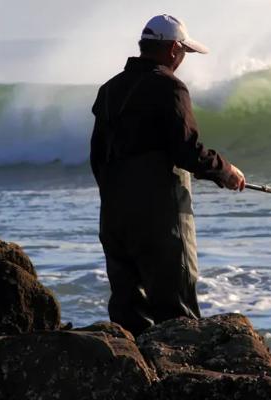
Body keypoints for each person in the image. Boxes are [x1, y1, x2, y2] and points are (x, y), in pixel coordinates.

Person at [90, 14, 245, 336]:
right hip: (159, 216)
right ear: (173, 48)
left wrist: (117, 198)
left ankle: (136, 375)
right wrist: (225, 171)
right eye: (184, 52)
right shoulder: (169, 86)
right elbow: (186, 151)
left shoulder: (109, 90)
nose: (183, 59)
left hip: (114, 215)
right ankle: (177, 379)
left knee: (128, 311)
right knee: (177, 311)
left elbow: (97, 157)